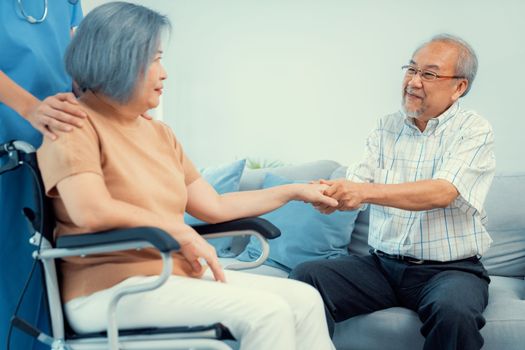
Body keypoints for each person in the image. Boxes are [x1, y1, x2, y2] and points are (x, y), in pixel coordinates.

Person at [36, 2, 336, 349]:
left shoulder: (159, 134)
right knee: (268, 313)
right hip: (109, 288)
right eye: (155, 59)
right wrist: (177, 230)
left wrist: (295, 191)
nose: (164, 73)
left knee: (304, 299)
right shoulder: (73, 123)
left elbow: (215, 205)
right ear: (119, 59)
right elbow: (91, 209)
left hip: (171, 277)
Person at [291, 34, 495, 350]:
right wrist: (332, 193)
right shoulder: (386, 127)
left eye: (428, 74)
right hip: (382, 267)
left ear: (459, 87)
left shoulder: (474, 130)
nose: (413, 81)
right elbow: (359, 180)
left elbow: (441, 192)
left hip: (450, 271)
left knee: (454, 311)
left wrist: (363, 192)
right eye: (410, 70)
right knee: (308, 278)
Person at [0, 1, 85, 349]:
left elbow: (78, 65)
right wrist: (29, 106)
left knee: (48, 274)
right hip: (9, 148)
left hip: (55, 149)